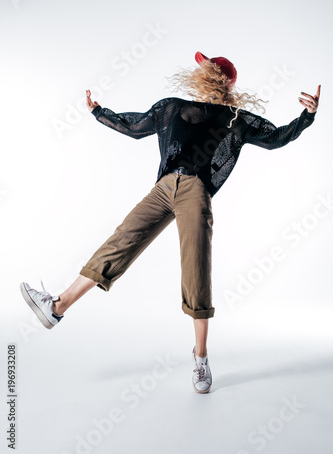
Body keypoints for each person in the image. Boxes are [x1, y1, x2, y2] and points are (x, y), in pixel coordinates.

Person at [20, 51, 321, 394]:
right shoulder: (172, 107)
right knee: (121, 240)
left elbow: (276, 137)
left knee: (196, 268)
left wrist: (307, 115)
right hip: (163, 188)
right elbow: (134, 126)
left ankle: (201, 357)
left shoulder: (234, 118)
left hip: (195, 191)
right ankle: (57, 307)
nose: (201, 71)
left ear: (220, 79)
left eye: (208, 68)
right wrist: (97, 112)